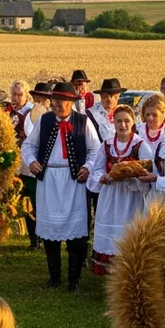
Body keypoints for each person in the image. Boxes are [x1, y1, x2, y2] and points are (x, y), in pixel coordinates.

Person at [23, 83, 99, 292]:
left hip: (74, 180)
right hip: (49, 179)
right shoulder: (45, 120)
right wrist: (31, 162)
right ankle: (54, 276)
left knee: (77, 233)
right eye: (54, 101)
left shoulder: (83, 122)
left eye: (60, 102)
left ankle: (74, 279)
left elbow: (96, 150)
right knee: (49, 231)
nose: (56, 105)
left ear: (71, 103)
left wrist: (87, 167)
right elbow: (29, 145)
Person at [88, 105, 152, 275]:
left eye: (126, 121)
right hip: (110, 196)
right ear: (113, 122)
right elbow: (98, 169)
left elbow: (148, 173)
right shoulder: (107, 145)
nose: (122, 125)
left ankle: (128, 274)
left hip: (131, 198)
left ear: (133, 122)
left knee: (128, 233)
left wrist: (131, 175)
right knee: (110, 233)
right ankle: (109, 274)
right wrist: (103, 177)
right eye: (119, 121)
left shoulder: (140, 145)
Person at [8, 81, 40, 249]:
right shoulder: (7, 113)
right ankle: (30, 238)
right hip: (13, 165)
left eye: (20, 94)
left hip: (30, 166)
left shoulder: (33, 113)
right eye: (13, 94)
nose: (16, 98)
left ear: (26, 95)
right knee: (17, 201)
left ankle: (38, 238)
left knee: (35, 202)